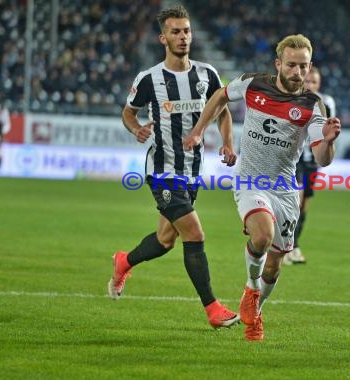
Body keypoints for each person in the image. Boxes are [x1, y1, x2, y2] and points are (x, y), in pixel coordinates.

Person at [183, 34, 341, 340]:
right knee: (262, 235)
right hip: (250, 178)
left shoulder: (312, 105)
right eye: (292, 65)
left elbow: (322, 159)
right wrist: (199, 130)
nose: (298, 73)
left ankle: (255, 308)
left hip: (284, 187)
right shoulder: (254, 84)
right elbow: (219, 96)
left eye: (304, 66)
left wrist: (330, 141)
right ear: (278, 64)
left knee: (274, 267)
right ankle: (252, 290)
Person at [107, 5, 240, 329]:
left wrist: (227, 142)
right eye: (176, 32)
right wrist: (135, 128)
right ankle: (213, 309)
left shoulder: (207, 75)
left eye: (187, 31)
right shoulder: (150, 79)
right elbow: (129, 111)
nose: (183, 37)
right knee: (194, 232)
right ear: (163, 37)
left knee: (166, 240)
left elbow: (222, 111)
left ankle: (124, 261)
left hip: (192, 170)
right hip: (162, 169)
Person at [284, 66, 336, 265]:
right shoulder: (293, 100)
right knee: (296, 201)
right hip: (294, 159)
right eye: (308, 82)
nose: (311, 86)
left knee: (304, 205)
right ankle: (286, 247)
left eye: (314, 82)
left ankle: (294, 245)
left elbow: (330, 128)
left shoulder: (326, 102)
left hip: (312, 161)